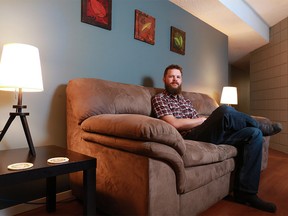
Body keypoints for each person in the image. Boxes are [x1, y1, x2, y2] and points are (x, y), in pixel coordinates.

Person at [151, 64, 282, 213]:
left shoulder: (185, 101)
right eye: (171, 76)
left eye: (178, 77)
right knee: (225, 109)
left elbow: (199, 120)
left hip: (205, 132)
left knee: (254, 134)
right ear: (164, 79)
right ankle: (261, 126)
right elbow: (174, 123)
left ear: (181, 80)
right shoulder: (159, 98)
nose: (175, 79)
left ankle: (246, 194)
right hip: (191, 136)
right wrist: (201, 121)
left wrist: (202, 121)